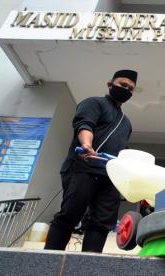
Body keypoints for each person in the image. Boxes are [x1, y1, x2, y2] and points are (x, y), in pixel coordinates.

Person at [44, 69, 137, 253]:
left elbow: (122, 151)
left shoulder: (126, 123)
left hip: (110, 176)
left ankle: (89, 266)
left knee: (102, 222)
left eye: (130, 88)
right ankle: (49, 262)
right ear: (110, 84)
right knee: (71, 214)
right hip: (83, 166)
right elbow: (84, 124)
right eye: (122, 85)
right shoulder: (94, 103)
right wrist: (87, 144)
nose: (126, 89)